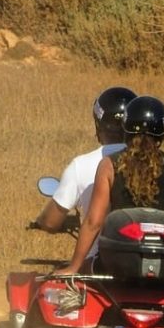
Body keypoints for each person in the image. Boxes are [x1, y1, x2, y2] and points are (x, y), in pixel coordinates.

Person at [55, 95, 164, 278]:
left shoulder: (109, 165)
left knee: (84, 267)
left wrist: (74, 267)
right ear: (163, 131)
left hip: (116, 264)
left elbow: (94, 222)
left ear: (125, 128)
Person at [34, 86, 137, 240]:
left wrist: (40, 221)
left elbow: (50, 222)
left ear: (98, 125)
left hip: (99, 260)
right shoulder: (159, 163)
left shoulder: (81, 166)